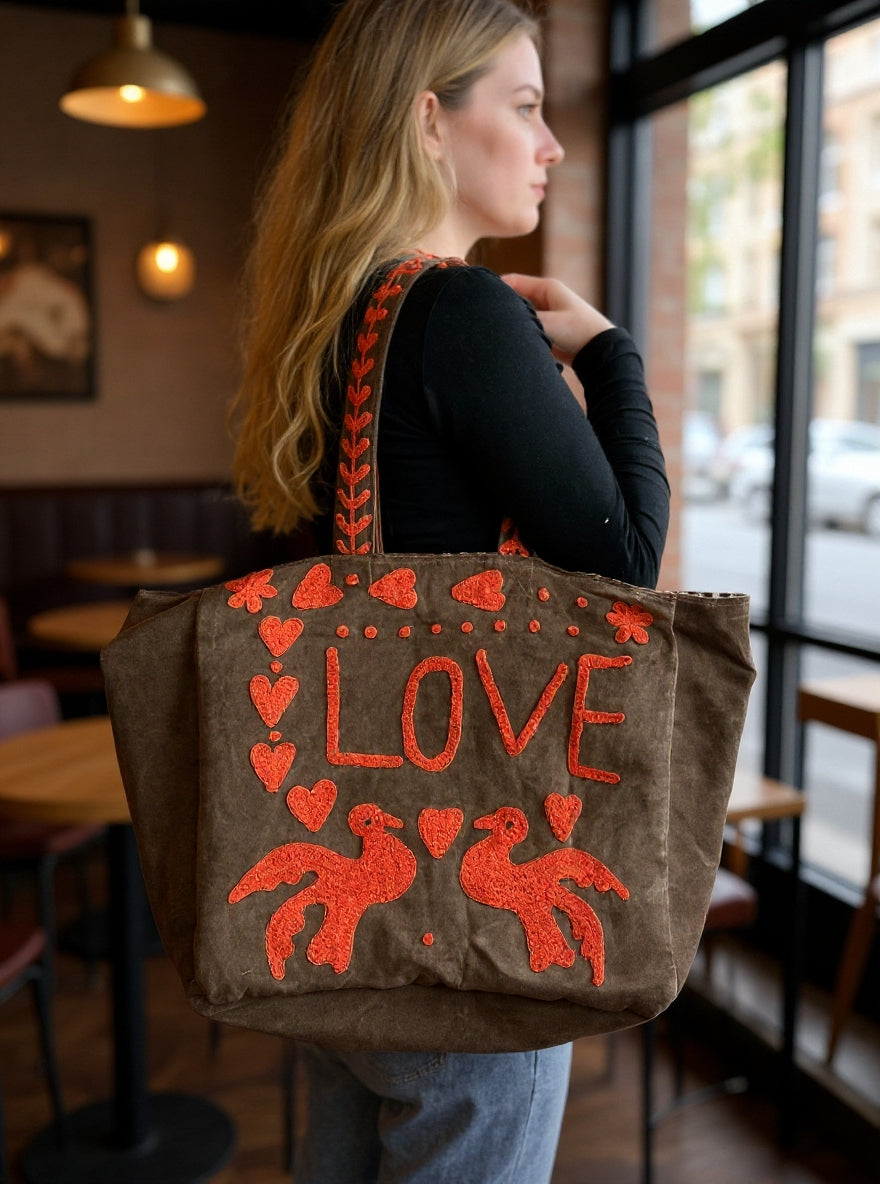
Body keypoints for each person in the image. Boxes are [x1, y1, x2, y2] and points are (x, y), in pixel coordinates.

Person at [231, 1, 669, 1180]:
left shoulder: (332, 327)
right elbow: (624, 562)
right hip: (467, 919)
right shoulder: (460, 312)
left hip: (342, 911)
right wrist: (613, 357)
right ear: (431, 119)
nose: (552, 144)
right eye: (524, 107)